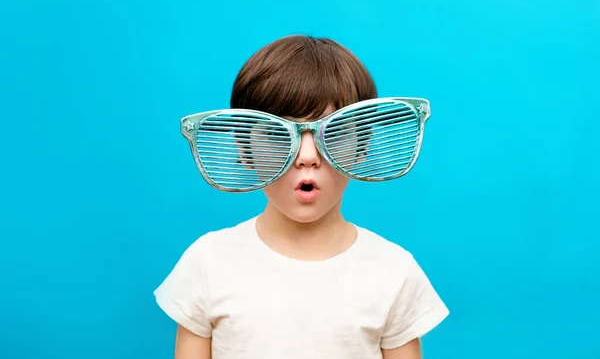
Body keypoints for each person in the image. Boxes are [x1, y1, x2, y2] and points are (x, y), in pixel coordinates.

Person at [153, 35, 449, 359]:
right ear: (244, 149)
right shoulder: (206, 263)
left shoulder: (395, 271)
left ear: (362, 147)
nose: (307, 155)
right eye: (276, 132)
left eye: (334, 130)